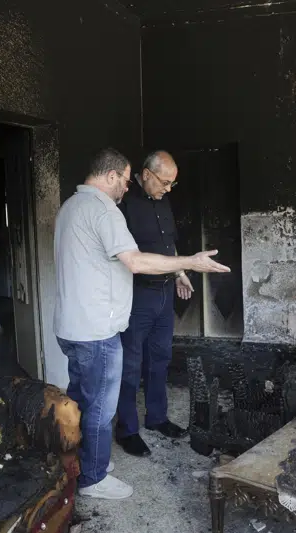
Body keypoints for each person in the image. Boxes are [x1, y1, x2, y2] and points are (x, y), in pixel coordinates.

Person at [53, 148, 230, 500]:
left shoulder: (70, 207)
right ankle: (93, 477)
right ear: (114, 175)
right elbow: (133, 261)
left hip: (73, 324)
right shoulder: (107, 210)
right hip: (98, 327)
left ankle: (84, 463)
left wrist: (179, 270)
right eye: (124, 179)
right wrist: (191, 262)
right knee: (102, 405)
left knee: (81, 399)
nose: (125, 188)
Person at [114, 151, 195, 457]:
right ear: (146, 174)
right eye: (165, 182)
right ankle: (127, 430)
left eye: (173, 184)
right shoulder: (124, 203)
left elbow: (168, 244)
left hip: (164, 292)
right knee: (131, 365)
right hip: (137, 295)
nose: (168, 189)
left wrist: (180, 273)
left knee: (160, 358)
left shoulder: (163, 198)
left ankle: (157, 418)